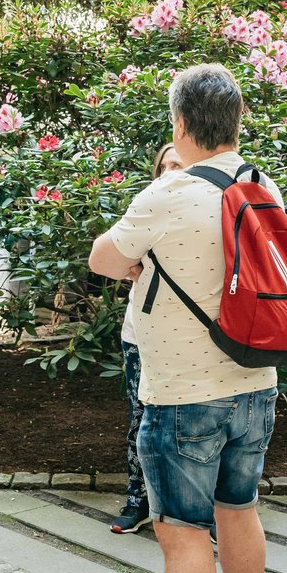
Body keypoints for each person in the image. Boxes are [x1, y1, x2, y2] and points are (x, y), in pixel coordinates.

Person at [89, 64, 281, 573]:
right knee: (240, 509)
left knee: (183, 535)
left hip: (182, 396)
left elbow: (103, 259)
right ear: (235, 120)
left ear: (179, 123)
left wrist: (144, 255)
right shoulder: (262, 184)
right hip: (256, 383)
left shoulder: (168, 193)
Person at [111, 142, 185, 534]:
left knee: (186, 422)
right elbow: (112, 257)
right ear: (157, 172)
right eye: (167, 165)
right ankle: (137, 499)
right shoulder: (146, 208)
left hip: (191, 340)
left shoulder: (202, 209)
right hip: (140, 334)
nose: (173, 171)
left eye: (181, 164)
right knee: (140, 419)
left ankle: (187, 508)